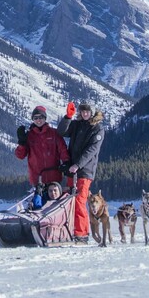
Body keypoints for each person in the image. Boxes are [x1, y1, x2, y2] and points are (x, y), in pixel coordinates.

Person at [57, 101, 105, 245]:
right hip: (72, 170)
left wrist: (78, 165)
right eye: (82, 111)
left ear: (92, 112)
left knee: (79, 201)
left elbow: (92, 151)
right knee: (70, 200)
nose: (84, 114)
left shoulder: (98, 129)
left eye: (87, 111)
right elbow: (61, 132)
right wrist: (67, 117)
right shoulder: (77, 125)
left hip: (85, 171)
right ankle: (72, 231)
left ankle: (81, 234)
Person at [15, 106, 70, 192]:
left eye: (41, 117)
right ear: (33, 119)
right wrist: (22, 143)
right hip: (37, 178)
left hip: (54, 176)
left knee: (54, 202)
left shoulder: (54, 133)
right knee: (40, 203)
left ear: (45, 118)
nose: (38, 120)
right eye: (35, 118)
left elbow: (62, 149)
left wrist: (66, 162)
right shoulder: (29, 136)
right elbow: (20, 155)